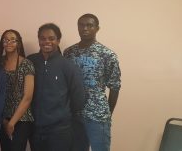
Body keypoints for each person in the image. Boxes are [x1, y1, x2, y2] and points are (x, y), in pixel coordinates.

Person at [63, 14, 121, 151]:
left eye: (89, 25)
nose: (85, 28)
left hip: (97, 115)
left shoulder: (107, 54)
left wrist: (107, 113)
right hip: (74, 114)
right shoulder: (68, 53)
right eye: (81, 25)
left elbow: (115, 86)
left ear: (97, 28)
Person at [28, 23, 85, 151]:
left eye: (51, 38)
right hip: (35, 129)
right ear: (38, 40)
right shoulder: (31, 62)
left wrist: (61, 114)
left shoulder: (68, 66)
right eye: (42, 38)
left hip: (60, 131)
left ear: (58, 40)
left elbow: (79, 100)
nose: (46, 41)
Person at [0, 29, 35, 151]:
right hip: (2, 118)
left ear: (18, 43)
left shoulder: (27, 64)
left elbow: (28, 96)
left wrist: (12, 123)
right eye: (6, 40)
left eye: (13, 40)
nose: (9, 43)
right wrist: (4, 120)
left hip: (22, 118)